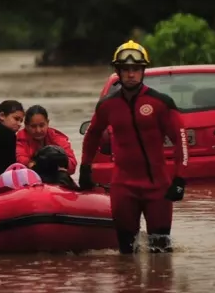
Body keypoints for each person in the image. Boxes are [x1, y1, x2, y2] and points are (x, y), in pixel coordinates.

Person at [79, 41, 188, 254]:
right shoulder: (107, 105)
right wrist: (85, 167)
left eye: (136, 69)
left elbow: (180, 141)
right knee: (126, 252)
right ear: (118, 71)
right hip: (123, 187)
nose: (131, 74)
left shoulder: (161, 102)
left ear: (143, 71)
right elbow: (92, 135)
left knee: (161, 252)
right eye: (126, 70)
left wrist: (179, 178)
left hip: (158, 187)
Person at [17, 105, 78, 174]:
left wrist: (62, 160)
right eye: (33, 126)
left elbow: (72, 165)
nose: (38, 130)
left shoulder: (57, 137)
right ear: (26, 126)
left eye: (42, 125)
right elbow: (20, 161)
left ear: (47, 123)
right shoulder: (19, 140)